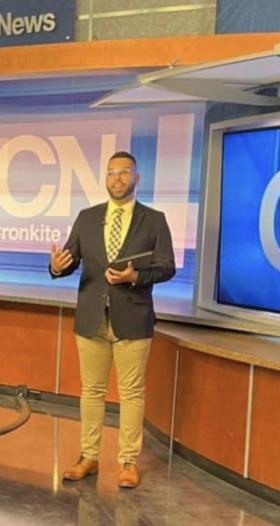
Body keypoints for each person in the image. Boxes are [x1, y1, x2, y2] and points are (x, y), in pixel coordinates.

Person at [49, 151, 175, 488]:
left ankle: (127, 462)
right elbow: (70, 260)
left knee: (131, 393)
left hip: (132, 318)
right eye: (111, 172)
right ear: (105, 178)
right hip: (91, 317)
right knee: (91, 391)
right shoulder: (87, 217)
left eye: (124, 172)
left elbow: (167, 267)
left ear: (137, 178)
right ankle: (88, 457)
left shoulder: (154, 219)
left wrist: (136, 276)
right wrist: (57, 268)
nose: (117, 178)